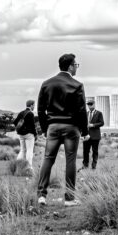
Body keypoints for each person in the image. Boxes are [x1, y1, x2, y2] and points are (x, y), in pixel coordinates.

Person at [37, 53, 88, 207]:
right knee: (70, 161)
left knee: (48, 158)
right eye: (76, 65)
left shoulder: (46, 84)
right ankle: (69, 198)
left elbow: (40, 110)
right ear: (71, 66)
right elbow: (81, 111)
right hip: (71, 128)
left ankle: (41, 195)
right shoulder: (77, 85)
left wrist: (45, 128)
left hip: (52, 126)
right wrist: (84, 131)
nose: (77, 68)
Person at [13, 99, 37, 170]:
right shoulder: (30, 114)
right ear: (31, 105)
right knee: (29, 150)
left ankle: (17, 166)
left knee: (22, 150)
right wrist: (35, 134)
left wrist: (21, 127)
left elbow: (15, 122)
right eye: (34, 105)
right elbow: (33, 126)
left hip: (21, 134)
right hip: (29, 134)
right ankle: (29, 167)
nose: (34, 107)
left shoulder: (21, 113)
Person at [82, 99, 104, 170]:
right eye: (88, 104)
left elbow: (102, 123)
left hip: (95, 136)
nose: (89, 105)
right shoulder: (85, 113)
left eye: (91, 104)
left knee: (95, 151)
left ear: (94, 104)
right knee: (85, 151)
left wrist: (93, 125)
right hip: (86, 136)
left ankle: (93, 167)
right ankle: (85, 166)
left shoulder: (99, 113)